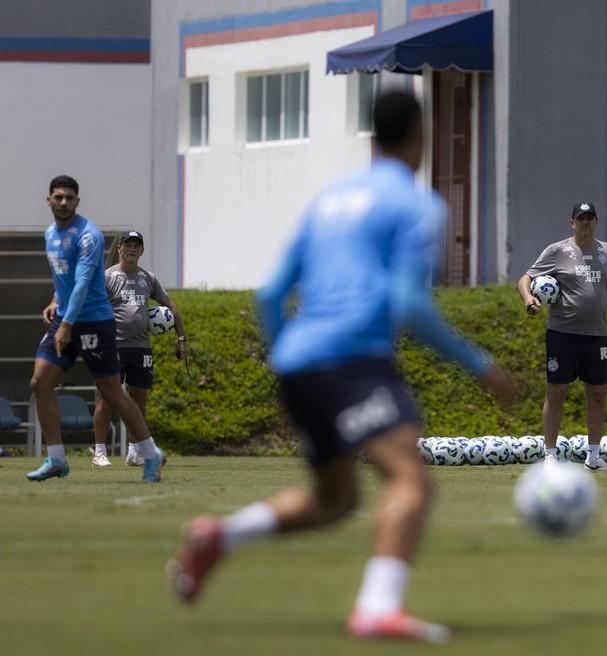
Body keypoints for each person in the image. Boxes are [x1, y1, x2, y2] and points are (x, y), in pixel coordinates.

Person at [166, 91, 515, 643]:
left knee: (336, 501)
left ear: (373, 137)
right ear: (420, 135)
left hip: (299, 363)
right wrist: (479, 363)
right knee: (410, 481)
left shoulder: (328, 200)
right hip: (352, 360)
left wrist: (285, 358)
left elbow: (271, 294)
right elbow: (408, 304)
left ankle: (218, 536)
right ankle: (377, 608)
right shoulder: (416, 205)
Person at [28, 175, 166, 482]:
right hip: (65, 317)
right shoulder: (50, 234)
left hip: (93, 322)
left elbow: (81, 283)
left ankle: (150, 452)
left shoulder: (89, 236)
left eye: (69, 198)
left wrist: (67, 324)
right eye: (58, 197)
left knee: (112, 393)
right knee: (40, 383)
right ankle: (56, 460)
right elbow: (64, 281)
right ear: (48, 200)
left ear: (77, 201)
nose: (63, 202)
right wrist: (54, 302)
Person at [516, 201, 607, 471]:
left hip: (596, 336)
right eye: (581, 218)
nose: (586, 222)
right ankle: (551, 456)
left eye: (590, 218)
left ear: (596, 221)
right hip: (562, 334)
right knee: (556, 392)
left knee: (598, 394)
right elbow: (525, 279)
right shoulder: (557, 251)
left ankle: (594, 456)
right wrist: (529, 298)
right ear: (572, 223)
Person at [80, 230, 186, 467]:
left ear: (142, 250)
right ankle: (99, 452)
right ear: (119, 249)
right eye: (127, 245)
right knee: (107, 398)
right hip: (112, 346)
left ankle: (134, 452)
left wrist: (181, 339)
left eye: (136, 245)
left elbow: (171, 306)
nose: (132, 249)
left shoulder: (148, 278)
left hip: (141, 348)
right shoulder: (107, 277)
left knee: (139, 399)